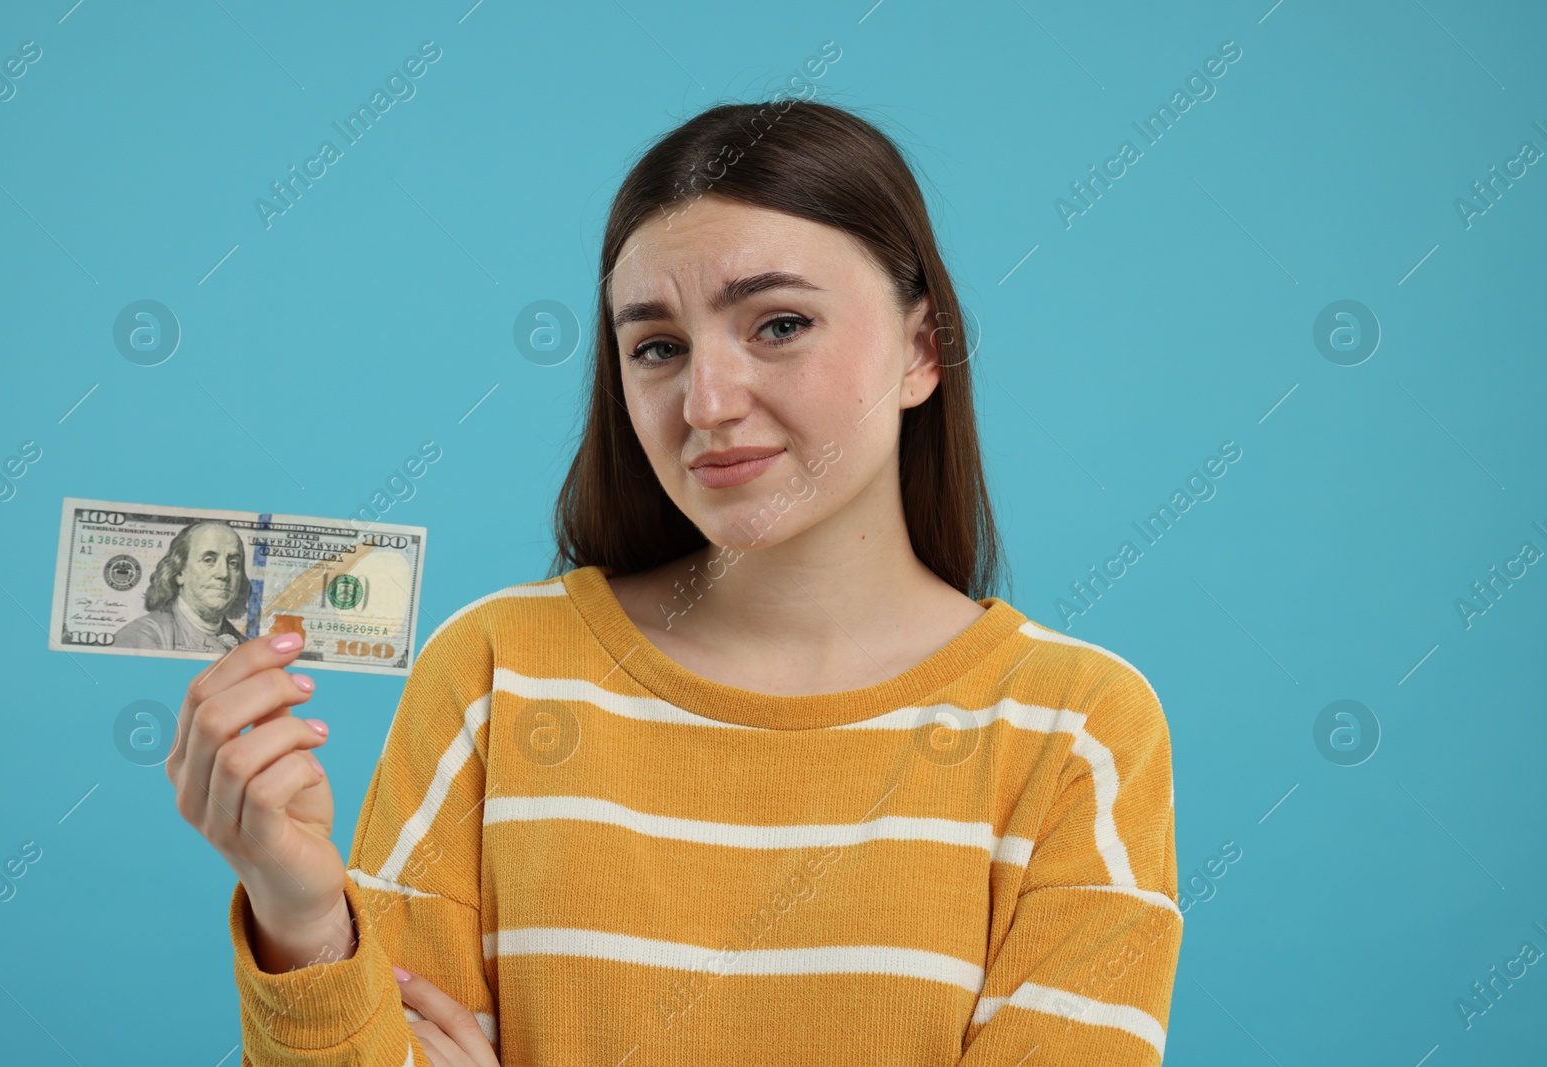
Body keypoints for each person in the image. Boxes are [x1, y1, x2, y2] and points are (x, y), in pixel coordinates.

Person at [168, 99, 1181, 1067]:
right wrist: (301, 916)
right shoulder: (492, 675)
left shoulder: (1077, 731)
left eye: (779, 324)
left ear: (923, 348)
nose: (705, 401)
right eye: (655, 347)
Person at [113, 520, 249, 652]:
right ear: (179, 572)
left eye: (233, 563)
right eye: (209, 560)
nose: (224, 573)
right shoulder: (141, 636)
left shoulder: (246, 646)